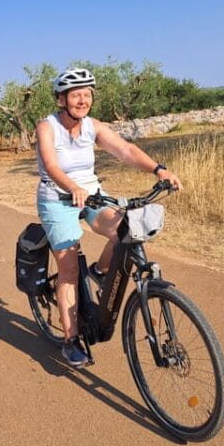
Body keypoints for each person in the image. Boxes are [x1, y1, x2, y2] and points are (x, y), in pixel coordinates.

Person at [36, 67, 182, 368]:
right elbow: (51, 165)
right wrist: (72, 186)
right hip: (57, 199)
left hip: (92, 195)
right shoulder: (47, 127)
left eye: (87, 94)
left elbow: (126, 150)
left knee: (127, 230)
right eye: (75, 95)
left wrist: (159, 170)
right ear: (61, 99)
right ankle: (71, 340)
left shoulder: (93, 126)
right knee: (69, 271)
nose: (82, 100)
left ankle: (101, 272)